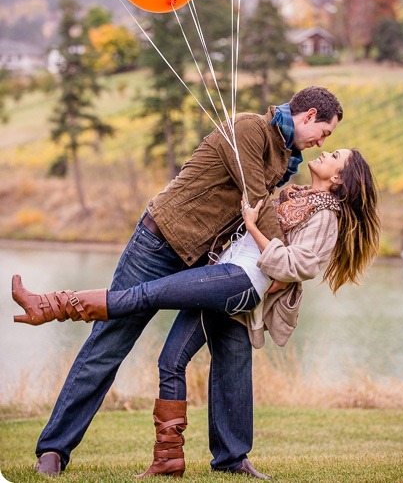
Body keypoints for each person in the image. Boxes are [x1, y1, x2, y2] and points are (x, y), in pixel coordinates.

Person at [11, 87, 344, 478]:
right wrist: (278, 261)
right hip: (161, 241)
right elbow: (256, 202)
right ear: (307, 116)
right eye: (324, 131)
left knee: (233, 348)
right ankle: (53, 449)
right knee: (110, 342)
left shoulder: (287, 158)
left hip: (208, 257)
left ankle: (232, 458)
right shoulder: (249, 130)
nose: (322, 141)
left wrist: (281, 267)